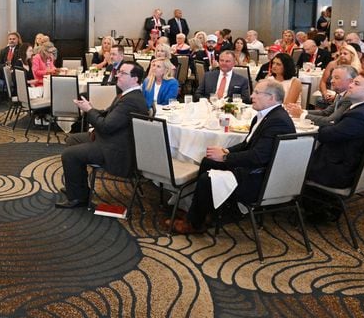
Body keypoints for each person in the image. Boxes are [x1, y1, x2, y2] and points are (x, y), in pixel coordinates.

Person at [170, 79, 295, 234]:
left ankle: (195, 223)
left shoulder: (278, 121)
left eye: (257, 92)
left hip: (261, 177)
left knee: (206, 179)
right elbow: (246, 144)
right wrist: (225, 151)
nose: (252, 96)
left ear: (272, 98)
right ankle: (202, 214)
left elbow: (259, 157)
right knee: (209, 160)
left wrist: (224, 158)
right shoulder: (264, 116)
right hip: (255, 169)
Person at [55, 63, 149, 208]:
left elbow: (105, 126)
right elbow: (108, 115)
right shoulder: (128, 95)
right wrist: (91, 108)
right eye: (119, 72)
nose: (117, 75)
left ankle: (78, 199)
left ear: (135, 79)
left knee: (69, 154)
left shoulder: (131, 100)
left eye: (123, 73)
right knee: (72, 139)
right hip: (113, 139)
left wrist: (89, 111)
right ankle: (78, 190)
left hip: (117, 150)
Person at [306, 73, 364, 189]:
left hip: (337, 171)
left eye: (356, 84)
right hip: (350, 164)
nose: (350, 85)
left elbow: (325, 135)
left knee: (290, 159)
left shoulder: (359, 116)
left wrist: (316, 125)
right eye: (352, 81)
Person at [286, 65, 357, 126]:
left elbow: (331, 121)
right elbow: (326, 112)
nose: (332, 81)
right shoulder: (341, 94)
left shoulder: (349, 98)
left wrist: (301, 114)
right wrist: (301, 111)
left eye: (337, 78)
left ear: (350, 81)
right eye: (332, 77)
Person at [0, 32, 21, 99]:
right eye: (10, 39)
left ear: (18, 40)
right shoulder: (3, 50)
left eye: (14, 39)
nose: (11, 40)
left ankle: (13, 94)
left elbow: (20, 63)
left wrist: (12, 69)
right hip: (5, 71)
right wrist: (5, 68)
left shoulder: (20, 49)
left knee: (15, 74)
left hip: (15, 71)